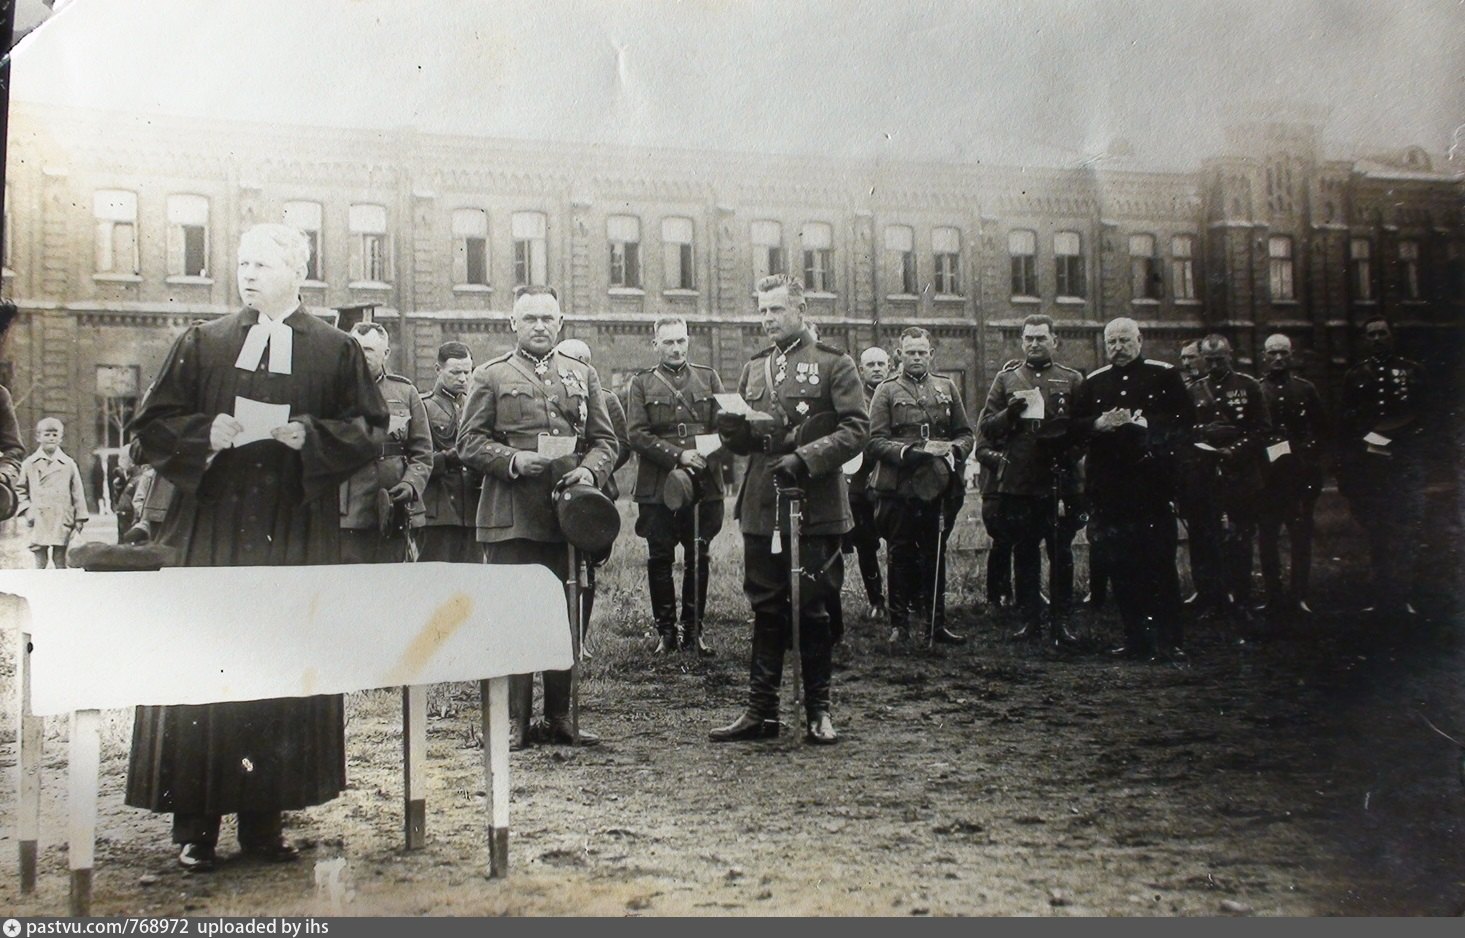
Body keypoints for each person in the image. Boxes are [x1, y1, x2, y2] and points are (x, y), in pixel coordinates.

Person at [125, 223, 388, 873]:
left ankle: (264, 824)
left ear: (297, 271)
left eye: (263, 265)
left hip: (292, 532)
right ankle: (196, 828)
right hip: (210, 530)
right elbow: (149, 427)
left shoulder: (334, 350)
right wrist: (202, 432)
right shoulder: (204, 342)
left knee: (278, 667)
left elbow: (370, 430)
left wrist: (312, 437)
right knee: (206, 666)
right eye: (243, 263)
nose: (248, 274)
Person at [710, 274, 867, 745]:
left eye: (776, 309)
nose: (768, 319)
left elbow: (856, 430)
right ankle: (761, 711)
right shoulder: (754, 368)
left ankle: (819, 711)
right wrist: (733, 431)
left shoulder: (834, 363)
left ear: (800, 310)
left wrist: (806, 457)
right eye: (762, 310)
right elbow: (750, 439)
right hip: (763, 501)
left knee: (813, 606)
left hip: (814, 501)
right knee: (765, 605)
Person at [457, 286, 617, 748]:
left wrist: (590, 470)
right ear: (513, 323)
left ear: (561, 322)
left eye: (548, 318)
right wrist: (511, 460)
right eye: (530, 318)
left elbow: (606, 441)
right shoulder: (490, 375)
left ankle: (559, 718)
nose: (540, 326)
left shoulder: (582, 374)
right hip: (513, 517)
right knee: (514, 617)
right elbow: (468, 442)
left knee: (564, 616)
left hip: (568, 516)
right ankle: (516, 721)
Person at [1073, 318, 1195, 661]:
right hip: (1111, 489)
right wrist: (1098, 423)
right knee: (1121, 566)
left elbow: (1185, 420)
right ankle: (1136, 639)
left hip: (1151, 486)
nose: (1118, 348)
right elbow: (1074, 426)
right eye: (1112, 342)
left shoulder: (1164, 375)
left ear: (1139, 341)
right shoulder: (1094, 382)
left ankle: (1170, 641)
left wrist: (1146, 425)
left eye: (1125, 341)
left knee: (1159, 563)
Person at [975, 314, 1086, 646]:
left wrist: (1067, 457)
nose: (1035, 344)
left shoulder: (1072, 379)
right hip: (1020, 481)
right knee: (1024, 553)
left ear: (1055, 341)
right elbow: (987, 427)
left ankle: (1061, 621)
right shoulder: (1006, 380)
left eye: (1041, 338)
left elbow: (1083, 430)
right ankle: (1030, 619)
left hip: (1059, 480)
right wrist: (1009, 413)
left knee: (1060, 552)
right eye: (1029, 338)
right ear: (1022, 342)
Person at [624, 317, 728, 655]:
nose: (676, 348)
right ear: (655, 344)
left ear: (688, 341)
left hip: (702, 481)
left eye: (681, 341)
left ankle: (694, 632)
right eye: (668, 342)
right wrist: (678, 455)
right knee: (660, 556)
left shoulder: (708, 378)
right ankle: (666, 634)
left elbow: (724, 428)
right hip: (659, 483)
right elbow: (637, 434)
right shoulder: (641, 383)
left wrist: (701, 457)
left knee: (698, 555)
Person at [866, 327, 973, 645]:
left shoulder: (947, 387)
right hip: (900, 486)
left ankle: (936, 625)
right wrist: (909, 452)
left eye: (922, 352)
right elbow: (874, 441)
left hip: (938, 484)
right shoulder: (887, 390)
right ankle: (899, 625)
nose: (916, 357)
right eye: (910, 352)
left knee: (934, 553)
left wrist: (955, 451)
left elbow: (965, 433)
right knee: (899, 553)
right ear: (900, 355)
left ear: (931, 354)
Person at [1336, 316, 1427, 619]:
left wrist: (1400, 446)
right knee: (1377, 532)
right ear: (1365, 340)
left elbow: (1424, 415)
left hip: (1403, 465)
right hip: (1372, 467)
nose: (1377, 339)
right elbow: (1348, 421)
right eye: (1371, 335)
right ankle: (1380, 596)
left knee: (1405, 531)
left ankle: (1404, 596)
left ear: (1392, 336)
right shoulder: (1355, 376)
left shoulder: (1412, 371)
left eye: (1382, 333)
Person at [1187, 334, 1271, 620]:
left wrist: (1234, 450)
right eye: (1209, 360)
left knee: (1240, 538)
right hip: (1207, 475)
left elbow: (1262, 429)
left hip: (1241, 474)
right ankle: (1213, 600)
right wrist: (1203, 439)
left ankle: (1242, 600)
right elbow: (1186, 430)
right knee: (1207, 539)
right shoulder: (1194, 390)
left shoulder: (1249, 386)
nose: (1214, 365)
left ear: (1230, 356)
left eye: (1219, 360)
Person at [555, 337, 632, 643]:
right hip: (557, 487)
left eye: (581, 361)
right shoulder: (551, 396)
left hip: (593, 491)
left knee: (587, 568)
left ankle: (580, 639)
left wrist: (591, 469)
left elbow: (621, 445)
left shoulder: (607, 399)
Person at [338, 322, 433, 563]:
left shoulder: (405, 392)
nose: (361, 356)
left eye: (369, 350)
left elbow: (422, 452)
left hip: (395, 504)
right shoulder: (333, 391)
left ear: (386, 353)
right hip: (350, 510)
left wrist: (411, 484)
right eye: (356, 349)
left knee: (393, 577)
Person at [1256, 334, 1326, 621]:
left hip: (1299, 476)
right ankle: (1273, 596)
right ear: (1264, 356)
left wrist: (1308, 459)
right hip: (1268, 479)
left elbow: (1322, 429)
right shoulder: (1257, 389)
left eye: (1283, 353)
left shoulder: (1305, 389)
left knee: (1300, 536)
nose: (1278, 358)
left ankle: (1299, 596)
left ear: (1291, 355)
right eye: (1272, 353)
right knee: (1267, 537)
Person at [417, 341, 480, 563]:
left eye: (467, 372)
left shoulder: (477, 407)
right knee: (436, 576)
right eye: (455, 372)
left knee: (472, 576)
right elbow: (415, 461)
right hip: (438, 510)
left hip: (473, 510)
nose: (463, 378)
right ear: (438, 369)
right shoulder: (423, 407)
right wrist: (449, 458)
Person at [844, 346, 889, 618]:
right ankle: (876, 601)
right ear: (861, 370)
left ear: (889, 366)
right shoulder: (853, 397)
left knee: (901, 541)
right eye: (870, 365)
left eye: (881, 364)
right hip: (861, 479)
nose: (876, 369)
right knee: (866, 543)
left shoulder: (896, 392)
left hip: (892, 476)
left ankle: (907, 598)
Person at [16, 417, 89, 568]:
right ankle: (40, 583)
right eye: (47, 434)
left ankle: (60, 583)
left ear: (61, 438)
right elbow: (20, 489)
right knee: (40, 560)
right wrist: (27, 510)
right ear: (38, 437)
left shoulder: (68, 464)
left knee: (60, 559)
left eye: (55, 435)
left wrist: (80, 517)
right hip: (38, 518)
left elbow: (77, 492)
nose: (51, 438)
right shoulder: (29, 463)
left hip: (61, 517)